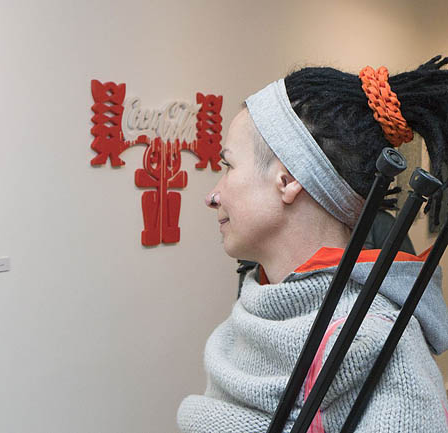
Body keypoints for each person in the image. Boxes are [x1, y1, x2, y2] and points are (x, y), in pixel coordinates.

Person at [177, 56, 448, 432]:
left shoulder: (383, 346)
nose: (212, 196)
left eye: (228, 166)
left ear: (287, 181)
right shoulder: (256, 306)